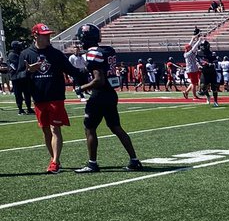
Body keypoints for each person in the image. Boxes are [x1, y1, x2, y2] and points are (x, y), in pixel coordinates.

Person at [71, 24, 142, 173]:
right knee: (116, 127)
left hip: (99, 94)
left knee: (89, 128)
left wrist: (80, 88)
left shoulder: (93, 53)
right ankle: (134, 160)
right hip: (110, 93)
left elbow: (98, 80)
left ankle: (92, 163)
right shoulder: (107, 50)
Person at [18, 23, 89, 172]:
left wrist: (89, 71)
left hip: (55, 96)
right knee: (45, 131)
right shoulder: (26, 54)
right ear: (35, 35)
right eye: (45, 35)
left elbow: (71, 70)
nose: (48, 37)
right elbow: (16, 77)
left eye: (49, 34)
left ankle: (55, 161)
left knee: (55, 128)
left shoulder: (56, 54)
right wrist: (29, 71)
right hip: (38, 98)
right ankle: (54, 160)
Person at [4, 40, 33, 115]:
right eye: (19, 45)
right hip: (16, 78)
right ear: (15, 47)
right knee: (18, 94)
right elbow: (19, 65)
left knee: (27, 93)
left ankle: (29, 108)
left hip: (24, 76)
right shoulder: (12, 55)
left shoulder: (21, 53)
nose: (20, 46)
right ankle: (20, 109)